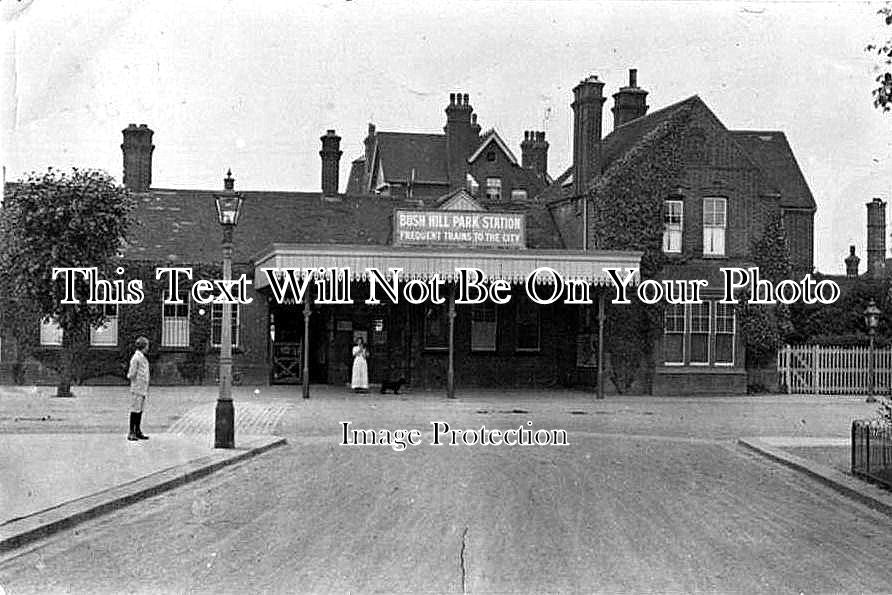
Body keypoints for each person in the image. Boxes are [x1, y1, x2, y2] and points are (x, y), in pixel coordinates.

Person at [127, 336, 151, 441]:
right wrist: (133, 379)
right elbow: (132, 373)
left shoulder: (141, 357)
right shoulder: (136, 358)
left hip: (142, 388)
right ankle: (131, 432)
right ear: (143, 346)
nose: (148, 348)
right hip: (137, 387)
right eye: (147, 346)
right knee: (135, 409)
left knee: (140, 409)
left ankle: (137, 430)